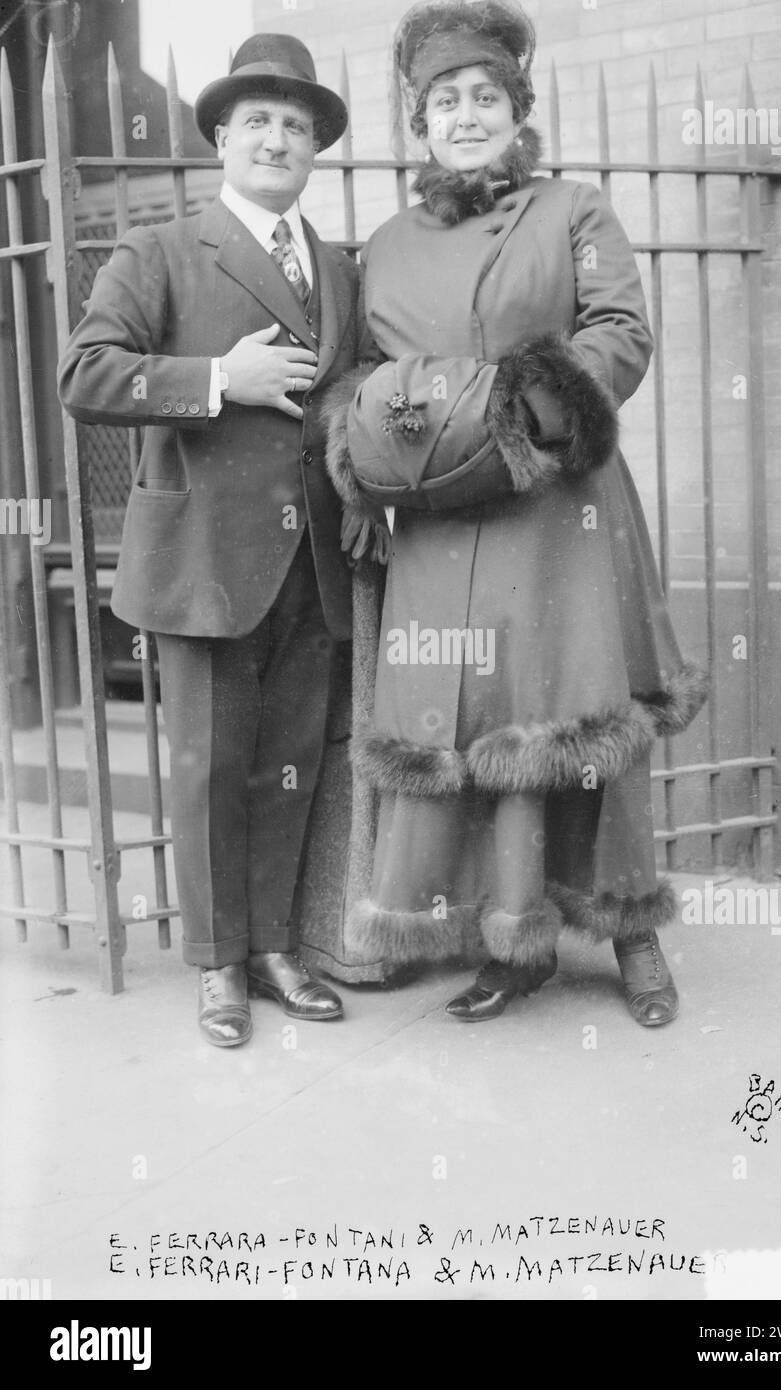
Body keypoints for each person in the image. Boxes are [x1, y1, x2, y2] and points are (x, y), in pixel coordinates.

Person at [323, 0, 708, 1023]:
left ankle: (632, 934)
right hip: (441, 524)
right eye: (444, 100)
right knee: (473, 723)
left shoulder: (575, 212)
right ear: (419, 121)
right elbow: (359, 379)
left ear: (518, 110)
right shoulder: (386, 245)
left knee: (578, 719)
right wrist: (369, 449)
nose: (464, 115)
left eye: (484, 96)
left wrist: (513, 421)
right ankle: (510, 940)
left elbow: (619, 332)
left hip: (560, 514)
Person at [59, 33, 385, 1047]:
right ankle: (216, 967)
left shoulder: (339, 267)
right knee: (208, 764)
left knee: (290, 758)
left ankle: (278, 945)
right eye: (259, 122)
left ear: (314, 149)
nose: (278, 139)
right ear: (220, 139)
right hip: (204, 559)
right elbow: (84, 374)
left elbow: (357, 394)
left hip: (312, 556)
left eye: (296, 125)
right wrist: (215, 381)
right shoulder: (159, 250)